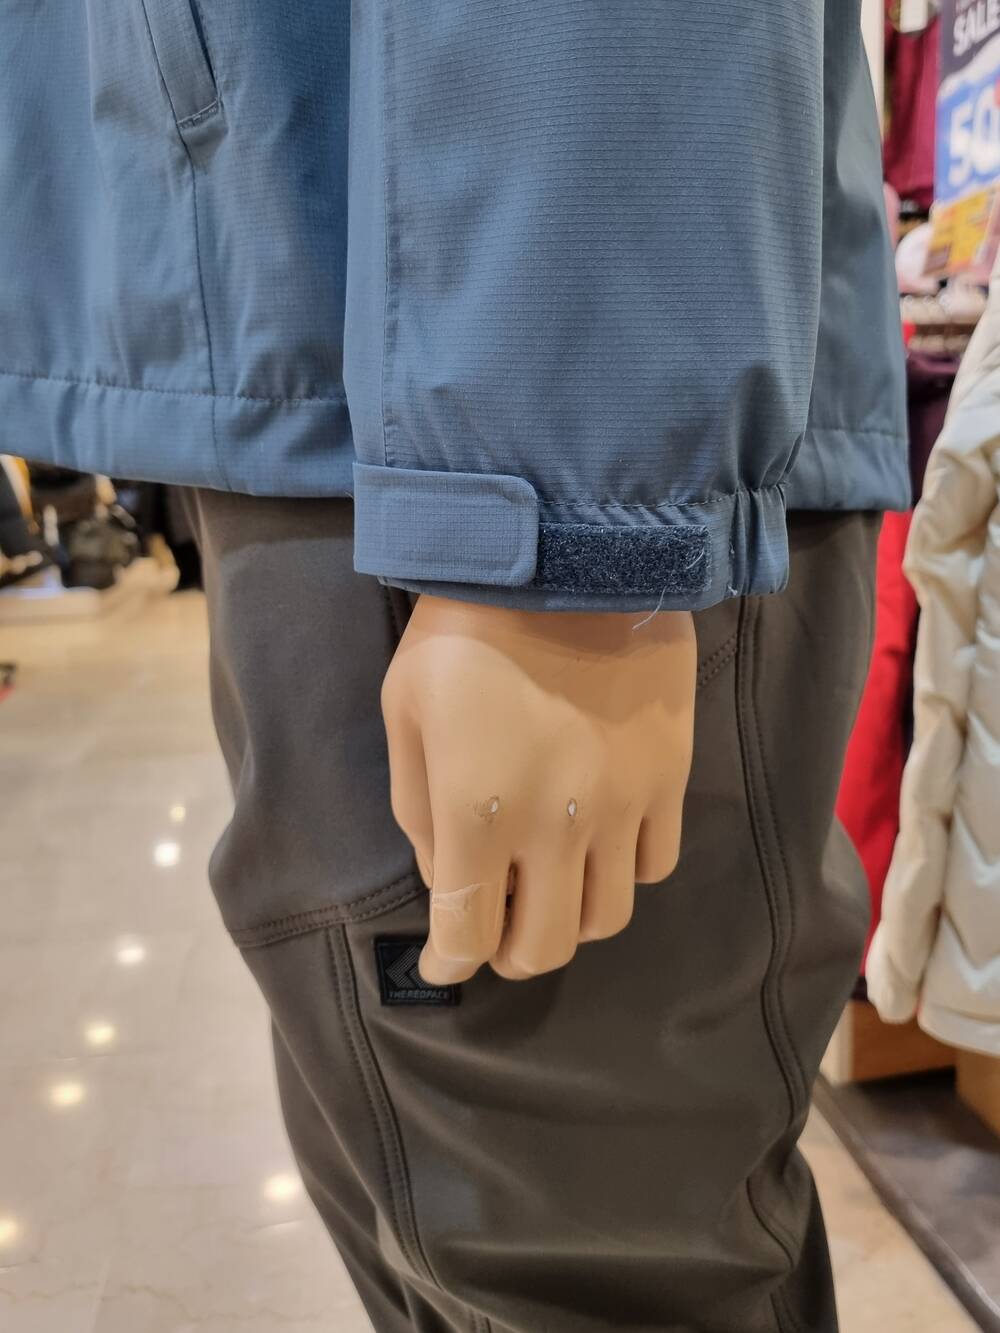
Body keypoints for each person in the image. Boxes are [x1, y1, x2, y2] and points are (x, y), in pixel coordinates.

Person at [0, 2, 909, 1329]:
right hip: (363, 360)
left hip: (480, 414)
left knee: (576, 1262)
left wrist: (570, 505)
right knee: (463, 1228)